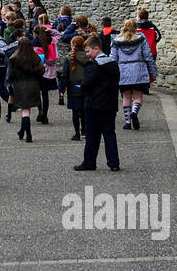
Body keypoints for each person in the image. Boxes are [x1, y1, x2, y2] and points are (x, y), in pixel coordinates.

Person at [74, 35, 121, 171]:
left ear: (96, 49)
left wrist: (82, 87)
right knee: (109, 134)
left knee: (92, 136)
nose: (88, 55)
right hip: (110, 104)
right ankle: (114, 163)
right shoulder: (113, 63)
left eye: (88, 51)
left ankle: (89, 162)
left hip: (94, 104)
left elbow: (87, 84)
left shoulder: (93, 65)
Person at [111, 18, 157, 129]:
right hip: (138, 71)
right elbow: (148, 56)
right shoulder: (141, 39)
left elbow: (113, 58)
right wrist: (153, 72)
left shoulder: (116, 41)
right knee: (138, 96)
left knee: (126, 97)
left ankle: (127, 122)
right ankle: (134, 112)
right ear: (135, 28)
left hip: (123, 72)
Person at [7, 36, 45, 142]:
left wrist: (10, 82)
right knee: (27, 109)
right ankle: (22, 131)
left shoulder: (14, 58)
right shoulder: (35, 57)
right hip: (33, 84)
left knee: (25, 110)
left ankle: (28, 135)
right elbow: (41, 71)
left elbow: (11, 74)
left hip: (20, 85)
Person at [58, 35, 91, 140]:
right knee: (84, 111)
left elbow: (64, 75)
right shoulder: (88, 57)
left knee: (75, 111)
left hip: (73, 86)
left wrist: (62, 90)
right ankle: (85, 131)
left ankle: (77, 133)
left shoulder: (69, 58)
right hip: (85, 86)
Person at [34, 23, 58, 123]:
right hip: (49, 70)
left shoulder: (34, 43)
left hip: (38, 71)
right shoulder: (52, 40)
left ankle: (40, 111)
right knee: (45, 94)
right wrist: (50, 30)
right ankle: (45, 115)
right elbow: (59, 35)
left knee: (37, 93)